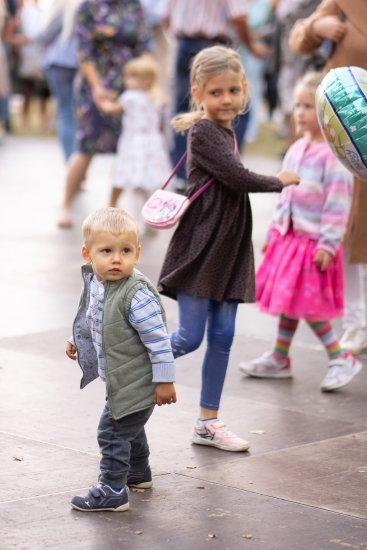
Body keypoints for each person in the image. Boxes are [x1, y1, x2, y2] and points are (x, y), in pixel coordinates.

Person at [158, 46, 300, 452]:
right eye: (216, 92)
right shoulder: (203, 131)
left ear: (245, 90)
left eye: (233, 91)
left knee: (223, 336)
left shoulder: (225, 131)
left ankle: (207, 422)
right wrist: (280, 180)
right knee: (188, 337)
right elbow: (236, 177)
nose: (226, 100)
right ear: (198, 92)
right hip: (202, 245)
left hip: (229, 245)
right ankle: (129, 361)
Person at [239, 72, 362, 391]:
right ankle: (280, 357)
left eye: (309, 106)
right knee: (291, 299)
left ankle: (339, 357)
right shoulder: (295, 150)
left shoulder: (332, 157)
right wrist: (275, 231)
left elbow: (338, 204)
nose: (300, 112)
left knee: (305, 302)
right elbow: (286, 193)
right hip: (290, 239)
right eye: (297, 106)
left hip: (314, 243)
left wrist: (329, 243)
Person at [66, 207, 176, 512]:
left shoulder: (136, 295)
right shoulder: (100, 284)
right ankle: (138, 474)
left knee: (112, 432)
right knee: (131, 428)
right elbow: (95, 318)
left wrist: (165, 380)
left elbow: (159, 341)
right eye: (107, 251)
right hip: (122, 378)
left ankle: (112, 489)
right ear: (88, 254)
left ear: (137, 254)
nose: (117, 258)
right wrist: (77, 339)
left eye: (125, 250)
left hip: (137, 381)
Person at [289, 0, 367, 356]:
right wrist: (315, 28)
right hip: (349, 137)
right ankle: (356, 324)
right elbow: (298, 40)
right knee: (352, 233)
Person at [58, 0, 151, 228]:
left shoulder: (133, 5)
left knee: (126, 147)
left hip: (131, 84)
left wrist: (149, 82)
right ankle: (65, 205)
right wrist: (97, 88)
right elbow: (84, 52)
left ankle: (114, 210)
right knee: (87, 146)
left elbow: (144, 47)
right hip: (96, 84)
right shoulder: (88, 6)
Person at [164, 0, 270, 192]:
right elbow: (237, 16)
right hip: (213, 49)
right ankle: (226, 169)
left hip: (184, 44)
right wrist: (251, 46)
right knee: (237, 108)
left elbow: (166, 16)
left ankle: (185, 176)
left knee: (185, 107)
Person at [99, 56, 171, 234]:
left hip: (133, 144)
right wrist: (154, 85)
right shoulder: (156, 97)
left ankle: (126, 214)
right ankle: (148, 217)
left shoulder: (129, 97)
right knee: (145, 182)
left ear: (145, 80)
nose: (126, 81)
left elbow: (111, 109)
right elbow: (166, 100)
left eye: (131, 77)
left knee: (126, 177)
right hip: (152, 144)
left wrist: (101, 101)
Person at [39, 0, 80, 161]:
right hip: (79, 63)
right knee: (76, 114)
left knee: (65, 113)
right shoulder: (86, 9)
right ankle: (77, 163)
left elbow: (44, 36)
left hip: (58, 63)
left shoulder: (64, 9)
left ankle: (70, 162)